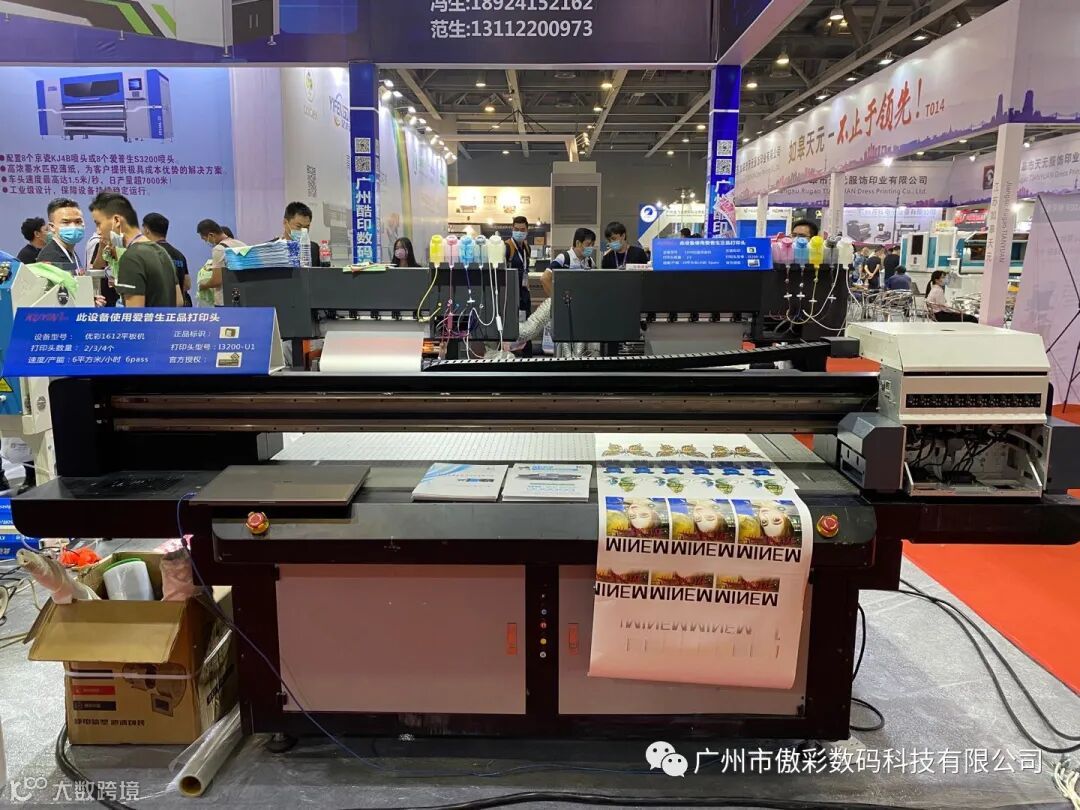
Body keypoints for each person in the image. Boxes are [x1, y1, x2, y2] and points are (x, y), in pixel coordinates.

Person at [93, 194, 182, 308]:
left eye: (99, 224)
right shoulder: (162, 252)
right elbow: (179, 301)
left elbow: (134, 314)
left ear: (117, 220)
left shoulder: (131, 258)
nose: (99, 232)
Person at [142, 213, 191, 307]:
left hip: (155, 309)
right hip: (176, 310)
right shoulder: (180, 255)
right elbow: (187, 284)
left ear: (147, 230)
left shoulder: (147, 254)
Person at [196, 219, 246, 306]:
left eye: (205, 239)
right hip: (242, 297)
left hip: (224, 300)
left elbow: (217, 281)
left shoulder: (219, 249)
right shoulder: (241, 244)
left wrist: (203, 286)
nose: (207, 242)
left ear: (211, 235)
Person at [35, 197, 86, 272]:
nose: (73, 226)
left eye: (78, 221)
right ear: (52, 227)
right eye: (66, 222)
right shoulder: (50, 258)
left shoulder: (69, 251)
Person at [276, 201, 328, 267]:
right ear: (285, 222)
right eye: (298, 226)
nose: (303, 231)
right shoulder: (271, 249)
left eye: (306, 227)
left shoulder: (313, 248)